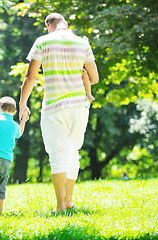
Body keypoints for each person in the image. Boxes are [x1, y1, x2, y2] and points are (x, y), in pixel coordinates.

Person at [19, 13, 99, 212]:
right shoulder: (82, 44)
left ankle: (59, 206)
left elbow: (30, 77)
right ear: (67, 24)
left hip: (54, 106)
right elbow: (95, 78)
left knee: (57, 154)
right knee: (73, 152)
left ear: (48, 25)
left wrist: (22, 103)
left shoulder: (42, 42)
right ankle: (68, 200)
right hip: (79, 106)